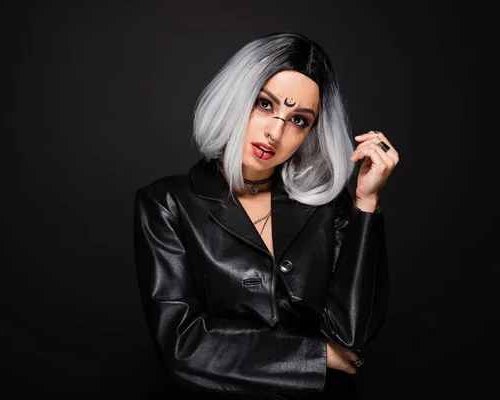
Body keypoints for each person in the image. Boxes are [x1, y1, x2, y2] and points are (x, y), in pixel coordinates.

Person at [133, 32, 399, 399]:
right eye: (264, 104)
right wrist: (317, 356)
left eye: (299, 120)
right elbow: (182, 344)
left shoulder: (325, 206)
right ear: (236, 98)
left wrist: (366, 204)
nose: (275, 131)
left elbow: (351, 335)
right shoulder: (167, 202)